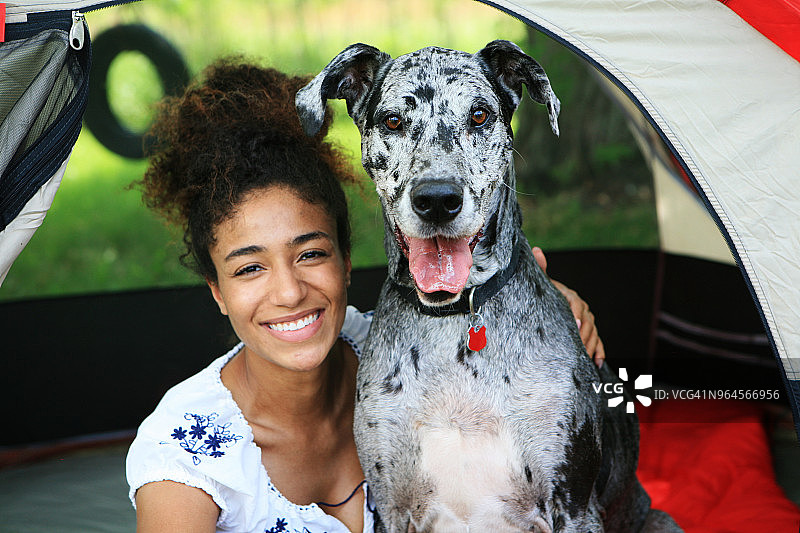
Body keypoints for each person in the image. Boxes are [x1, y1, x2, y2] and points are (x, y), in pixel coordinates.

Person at [126, 58, 605, 533]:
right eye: (250, 268)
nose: (290, 293)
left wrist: (549, 298)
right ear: (217, 291)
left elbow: (476, 327)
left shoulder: (384, 344)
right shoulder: (182, 458)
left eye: (311, 254)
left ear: (347, 259)